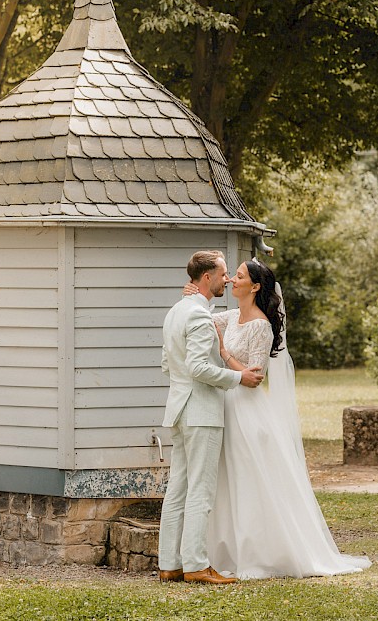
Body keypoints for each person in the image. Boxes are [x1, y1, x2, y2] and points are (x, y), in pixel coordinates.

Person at [187, 259, 372, 580]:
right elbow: (204, 320)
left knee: (250, 477)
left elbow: (254, 376)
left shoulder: (260, 325)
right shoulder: (232, 316)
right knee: (227, 479)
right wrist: (194, 295)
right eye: (232, 276)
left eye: (239, 276)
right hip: (225, 404)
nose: (231, 280)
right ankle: (223, 550)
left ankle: (262, 551)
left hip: (247, 409)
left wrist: (224, 354)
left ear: (255, 287)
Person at [157, 250, 265, 586]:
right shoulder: (200, 317)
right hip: (200, 413)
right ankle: (196, 566)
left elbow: (167, 365)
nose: (227, 279)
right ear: (207, 278)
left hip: (177, 407)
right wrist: (238, 378)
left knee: (178, 489)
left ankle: (169, 564)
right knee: (200, 491)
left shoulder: (177, 312)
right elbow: (199, 368)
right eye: (222, 274)